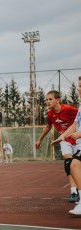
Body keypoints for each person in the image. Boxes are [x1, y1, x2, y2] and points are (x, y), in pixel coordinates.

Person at [35, 90, 79, 203]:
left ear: (58, 100)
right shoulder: (50, 114)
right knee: (68, 163)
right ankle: (74, 191)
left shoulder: (70, 109)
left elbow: (78, 121)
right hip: (64, 140)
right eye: (46, 99)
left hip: (77, 138)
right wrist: (39, 139)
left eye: (50, 99)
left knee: (77, 165)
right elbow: (48, 127)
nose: (47, 102)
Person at [52, 76, 81, 215]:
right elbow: (75, 124)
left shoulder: (71, 108)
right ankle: (78, 198)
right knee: (73, 165)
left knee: (75, 165)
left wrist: (79, 134)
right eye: (79, 86)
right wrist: (62, 136)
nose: (79, 89)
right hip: (79, 143)